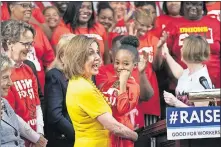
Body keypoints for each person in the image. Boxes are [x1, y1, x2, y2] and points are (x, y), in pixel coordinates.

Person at [64, 35, 138, 147]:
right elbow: (115, 128)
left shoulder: (79, 81)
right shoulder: (84, 88)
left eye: (97, 52)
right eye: (90, 53)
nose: (97, 57)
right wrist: (136, 136)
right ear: (77, 57)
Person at [155, 1, 220, 94]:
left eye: (198, 4)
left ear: (203, 6)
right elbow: (166, 56)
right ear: (183, 5)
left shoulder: (216, 24)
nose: (193, 7)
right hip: (182, 88)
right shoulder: (172, 26)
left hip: (215, 87)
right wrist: (176, 79)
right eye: (189, 3)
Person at [1, 20, 44, 146]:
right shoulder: (3, 73)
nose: (30, 48)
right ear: (10, 43)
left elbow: (37, 104)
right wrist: (35, 137)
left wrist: (40, 133)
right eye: (26, 44)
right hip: (13, 139)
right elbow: (10, 113)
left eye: (31, 44)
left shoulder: (28, 68)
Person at [99, 35, 142, 147]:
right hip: (107, 132)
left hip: (122, 134)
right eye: (117, 62)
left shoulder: (133, 86)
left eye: (126, 64)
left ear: (135, 65)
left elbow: (122, 109)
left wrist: (123, 83)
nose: (120, 67)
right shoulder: (111, 81)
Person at [0, 54, 48, 147]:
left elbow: (17, 137)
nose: (10, 83)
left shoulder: (4, 103)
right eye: (5, 77)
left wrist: (38, 137)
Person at [7, 1, 55, 92]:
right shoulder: (4, 30)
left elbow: (50, 60)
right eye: (24, 5)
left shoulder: (37, 29)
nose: (29, 9)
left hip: (40, 87)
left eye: (30, 5)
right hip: (13, 88)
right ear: (12, 7)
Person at [161, 35, 213, 107]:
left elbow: (200, 113)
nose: (181, 49)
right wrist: (166, 54)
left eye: (183, 47)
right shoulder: (189, 72)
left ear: (190, 51)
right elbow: (179, 73)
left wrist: (175, 102)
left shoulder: (202, 80)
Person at [44, 34, 76, 147]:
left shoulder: (78, 75)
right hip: (63, 139)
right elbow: (55, 115)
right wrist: (76, 135)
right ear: (62, 56)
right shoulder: (54, 76)